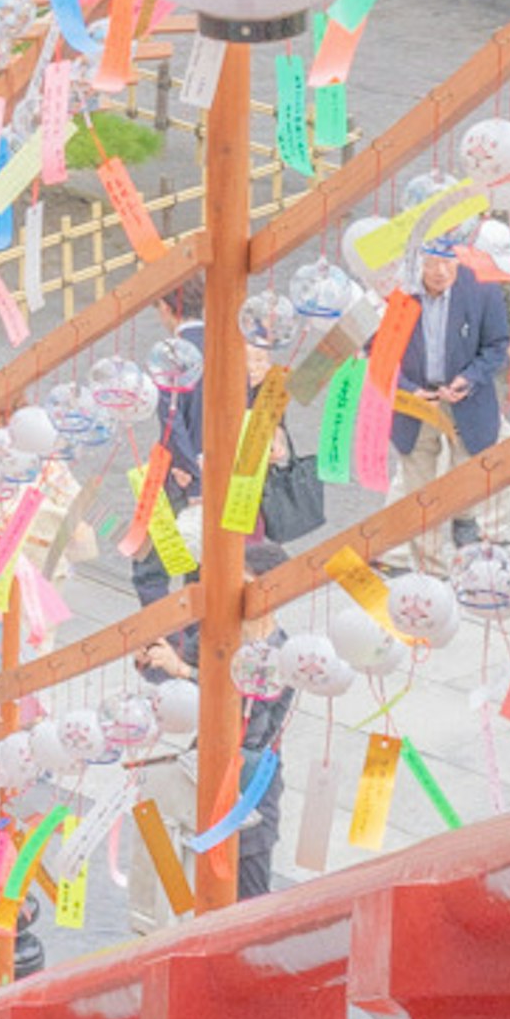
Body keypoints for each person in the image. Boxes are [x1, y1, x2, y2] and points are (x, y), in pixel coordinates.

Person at [131, 358, 325, 899]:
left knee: (248, 884)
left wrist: (185, 670)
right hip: (202, 769)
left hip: (249, 779)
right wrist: (158, 659)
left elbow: (248, 708)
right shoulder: (218, 625)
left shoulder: (281, 652)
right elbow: (178, 666)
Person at [397, 231, 510, 458]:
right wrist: (409, 389)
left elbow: (497, 345)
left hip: (468, 403)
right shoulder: (397, 291)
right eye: (430, 263)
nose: (440, 272)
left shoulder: (484, 289)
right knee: (417, 487)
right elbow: (375, 354)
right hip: (415, 405)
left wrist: (469, 378)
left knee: (468, 485)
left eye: (448, 261)